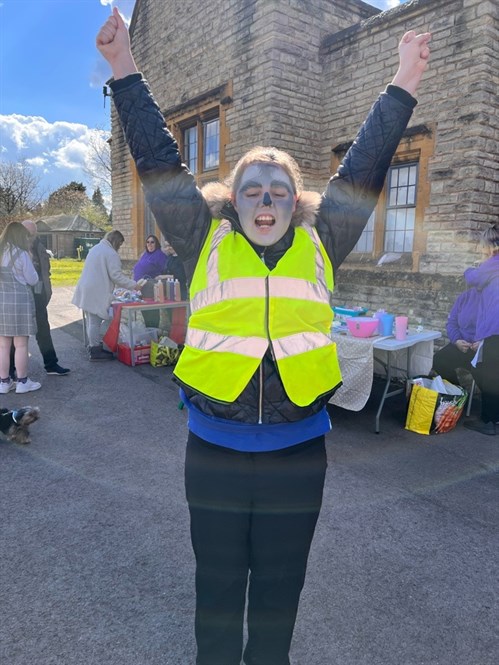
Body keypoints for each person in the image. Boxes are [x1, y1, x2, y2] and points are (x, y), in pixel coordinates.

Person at [97, 9, 430, 664]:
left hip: (297, 457)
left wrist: (404, 79)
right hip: (214, 451)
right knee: (218, 589)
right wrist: (123, 69)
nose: (266, 196)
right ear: (233, 199)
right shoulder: (201, 239)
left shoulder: (323, 241)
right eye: (252, 187)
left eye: (279, 186)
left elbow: (363, 165)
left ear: (297, 200)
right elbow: (158, 157)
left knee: (280, 591)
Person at [8, 220, 70, 378]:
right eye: (28, 233)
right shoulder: (12, 250)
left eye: (34, 233)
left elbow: (45, 271)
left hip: (38, 295)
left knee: (43, 330)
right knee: (16, 334)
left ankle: (51, 364)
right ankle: (9, 370)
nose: (31, 237)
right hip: (19, 298)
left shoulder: (39, 246)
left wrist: (46, 291)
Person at [72, 229, 141, 361]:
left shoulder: (96, 248)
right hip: (95, 290)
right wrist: (133, 285)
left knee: (91, 320)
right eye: (120, 244)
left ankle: (94, 346)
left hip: (86, 287)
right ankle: (95, 350)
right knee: (95, 321)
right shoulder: (110, 253)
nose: (119, 248)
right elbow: (116, 276)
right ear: (115, 241)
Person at [461, 224, 499, 435]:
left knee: (490, 374)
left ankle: (488, 421)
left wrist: (469, 268)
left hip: (495, 328)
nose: (480, 248)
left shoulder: (492, 263)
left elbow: (472, 278)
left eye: (483, 244)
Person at [0, 222, 41, 394]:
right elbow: (32, 279)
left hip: (2, 302)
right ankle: (23, 381)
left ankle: (3, 382)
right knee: (21, 345)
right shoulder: (22, 254)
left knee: (3, 345)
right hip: (20, 303)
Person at [432, 284, 481, 384]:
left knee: (487, 376)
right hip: (461, 345)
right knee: (439, 360)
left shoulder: (494, 299)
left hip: (484, 351)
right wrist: (457, 340)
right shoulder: (465, 297)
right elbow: (452, 323)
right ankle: (458, 393)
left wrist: (483, 343)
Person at [133, 234, 170, 327]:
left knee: (152, 313)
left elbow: (165, 271)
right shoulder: (145, 254)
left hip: (151, 290)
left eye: (152, 242)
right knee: (145, 313)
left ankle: (154, 333)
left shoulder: (160, 255)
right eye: (148, 242)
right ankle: (149, 333)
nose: (149, 244)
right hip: (141, 289)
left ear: (156, 243)